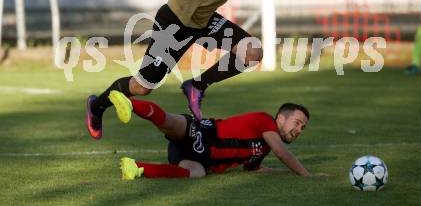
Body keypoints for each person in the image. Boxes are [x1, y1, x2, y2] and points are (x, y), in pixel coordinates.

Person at [86, 0, 288, 139]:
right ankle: (97, 105)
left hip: (202, 19)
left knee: (251, 51)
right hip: (176, 21)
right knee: (142, 87)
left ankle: (197, 85)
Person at [105, 91, 313, 179]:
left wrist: (282, 173)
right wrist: (307, 175)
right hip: (204, 134)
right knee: (169, 123)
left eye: (303, 128)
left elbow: (253, 169)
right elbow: (283, 153)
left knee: (196, 173)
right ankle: (130, 103)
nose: (299, 130)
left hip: (201, 159)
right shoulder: (265, 120)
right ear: (280, 118)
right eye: (297, 122)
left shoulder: (263, 147)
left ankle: (137, 168)